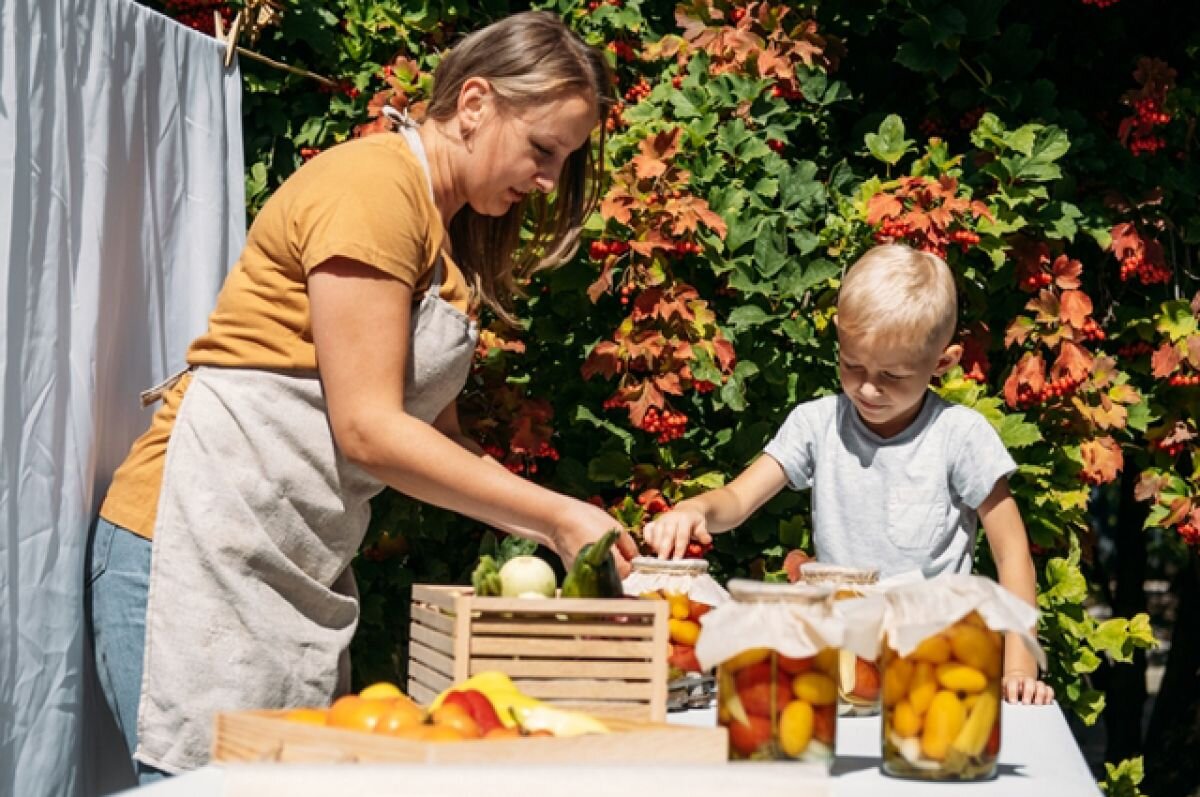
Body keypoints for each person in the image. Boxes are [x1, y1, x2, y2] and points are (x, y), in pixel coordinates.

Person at [85, 11, 636, 780]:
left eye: (564, 159)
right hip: (195, 550)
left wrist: (569, 528)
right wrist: (553, 515)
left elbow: (435, 442)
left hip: (290, 567)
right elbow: (369, 430)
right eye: (543, 149)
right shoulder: (373, 188)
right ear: (474, 103)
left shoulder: (447, 238)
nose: (547, 179)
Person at [643, 243, 1054, 705]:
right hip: (839, 670)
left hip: (933, 669)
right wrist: (695, 508)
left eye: (894, 375)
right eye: (852, 365)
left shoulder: (960, 435)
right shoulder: (817, 424)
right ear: (839, 336)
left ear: (943, 362)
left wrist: (1018, 667)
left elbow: (1012, 551)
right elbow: (738, 501)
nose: (869, 388)